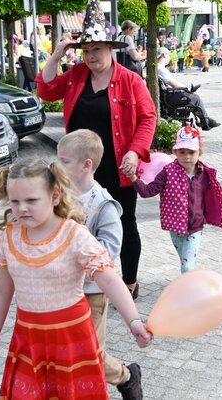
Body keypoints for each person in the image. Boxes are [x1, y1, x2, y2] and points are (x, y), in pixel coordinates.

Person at [0, 159, 152, 399]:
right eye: (15, 201)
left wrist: (133, 321)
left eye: (31, 200)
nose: (22, 208)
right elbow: (1, 290)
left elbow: (109, 280)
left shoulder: (74, 235)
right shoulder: (9, 238)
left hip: (71, 338)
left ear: (54, 196)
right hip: (29, 339)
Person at [36, 0, 156, 300]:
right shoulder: (76, 75)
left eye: (97, 49)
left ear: (110, 49)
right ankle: (84, 277)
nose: (91, 56)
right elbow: (46, 90)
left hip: (117, 167)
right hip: (77, 169)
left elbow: (148, 117)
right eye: (86, 51)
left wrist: (135, 152)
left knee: (123, 223)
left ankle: (128, 282)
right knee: (76, 221)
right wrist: (56, 55)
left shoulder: (130, 79)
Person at [56, 130, 144, 399]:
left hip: (92, 291)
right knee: (67, 351)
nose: (57, 165)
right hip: (61, 288)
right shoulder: (57, 193)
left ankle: (126, 377)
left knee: (89, 352)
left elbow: (110, 251)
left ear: (86, 165)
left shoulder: (103, 205)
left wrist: (77, 241)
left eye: (64, 161)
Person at [127, 126, 222, 272]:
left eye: (191, 152)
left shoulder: (204, 173)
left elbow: (213, 191)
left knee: (187, 266)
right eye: (182, 152)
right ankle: (192, 279)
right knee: (185, 261)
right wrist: (134, 178)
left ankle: (190, 285)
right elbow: (148, 191)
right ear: (175, 152)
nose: (187, 156)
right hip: (175, 227)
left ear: (199, 152)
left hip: (195, 227)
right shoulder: (167, 172)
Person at [157, 47, 221, 130]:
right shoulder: (161, 69)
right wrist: (187, 89)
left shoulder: (157, 68)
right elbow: (174, 84)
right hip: (167, 98)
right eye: (169, 55)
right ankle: (206, 122)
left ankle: (205, 120)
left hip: (164, 96)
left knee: (192, 96)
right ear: (164, 55)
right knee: (195, 98)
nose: (170, 58)